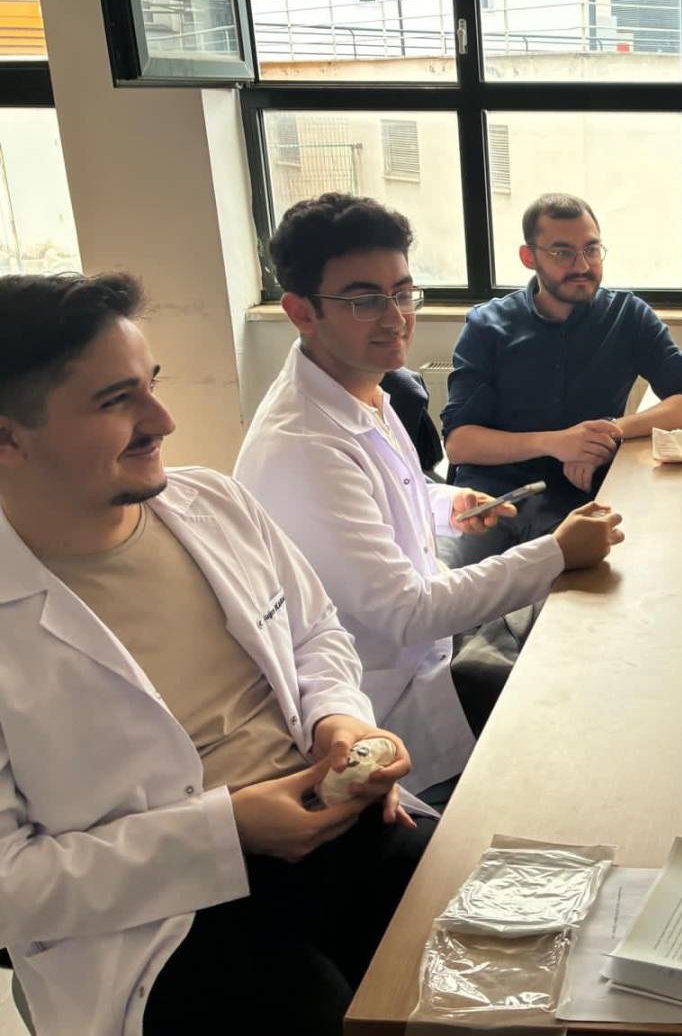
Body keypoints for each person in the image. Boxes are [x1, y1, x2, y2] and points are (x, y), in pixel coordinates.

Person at [0, 272, 431, 1035]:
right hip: (162, 918)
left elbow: (316, 634)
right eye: (117, 401)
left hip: (330, 817)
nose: (162, 420)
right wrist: (225, 831)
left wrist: (338, 720)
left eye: (152, 384)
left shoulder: (213, 504)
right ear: (8, 438)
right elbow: (13, 885)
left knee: (504, 938)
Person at [236, 194, 625, 800]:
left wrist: (449, 501)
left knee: (576, 641)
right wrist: (555, 551)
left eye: (403, 293)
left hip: (429, 655)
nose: (395, 318)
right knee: (571, 702)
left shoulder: (364, 388)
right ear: (300, 311)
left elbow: (391, 487)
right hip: (383, 707)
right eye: (365, 300)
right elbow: (408, 612)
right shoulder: (303, 445)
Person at [442, 193, 682, 563]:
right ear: (529, 257)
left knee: (619, 584)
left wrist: (606, 432)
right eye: (562, 253)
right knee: (447, 586)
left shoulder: (627, 316)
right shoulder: (487, 325)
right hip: (492, 500)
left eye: (591, 249)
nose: (582, 265)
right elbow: (459, 443)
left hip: (578, 500)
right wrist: (557, 443)